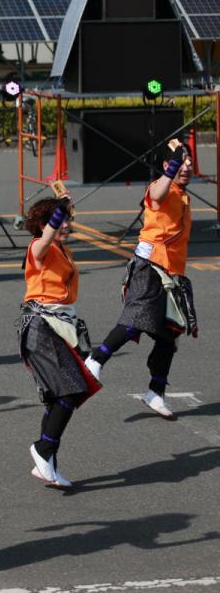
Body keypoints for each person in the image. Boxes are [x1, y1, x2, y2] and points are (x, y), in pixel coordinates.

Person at [85, 144, 196, 419]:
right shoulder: (160, 187)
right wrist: (172, 167)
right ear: (167, 166)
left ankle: (155, 392)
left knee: (169, 334)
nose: (186, 167)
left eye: (189, 162)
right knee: (136, 318)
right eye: (180, 162)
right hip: (150, 266)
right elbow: (156, 194)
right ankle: (96, 359)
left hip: (172, 273)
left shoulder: (182, 194)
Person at [18, 197, 100, 488]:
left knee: (62, 395)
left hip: (60, 326)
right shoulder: (38, 247)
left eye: (67, 220)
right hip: (41, 326)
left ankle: (47, 461)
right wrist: (57, 215)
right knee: (71, 388)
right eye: (60, 221)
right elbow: (43, 243)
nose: (66, 225)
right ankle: (43, 449)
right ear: (43, 225)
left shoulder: (63, 249)